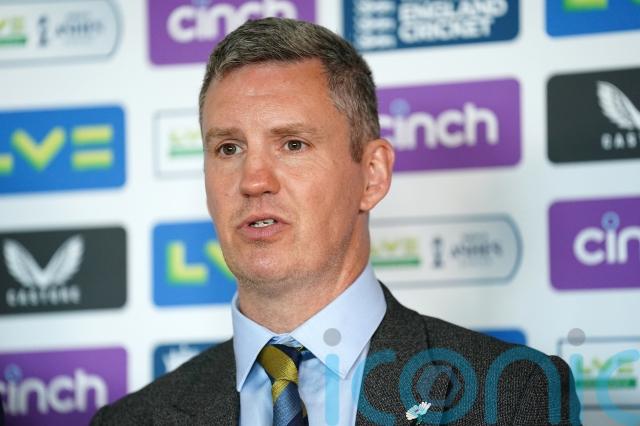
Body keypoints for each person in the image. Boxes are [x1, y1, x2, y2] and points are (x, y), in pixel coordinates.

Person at [91, 18, 580, 425]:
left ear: (372, 175)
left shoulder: (515, 395)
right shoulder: (131, 420)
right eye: (229, 148)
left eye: (293, 144)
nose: (253, 180)